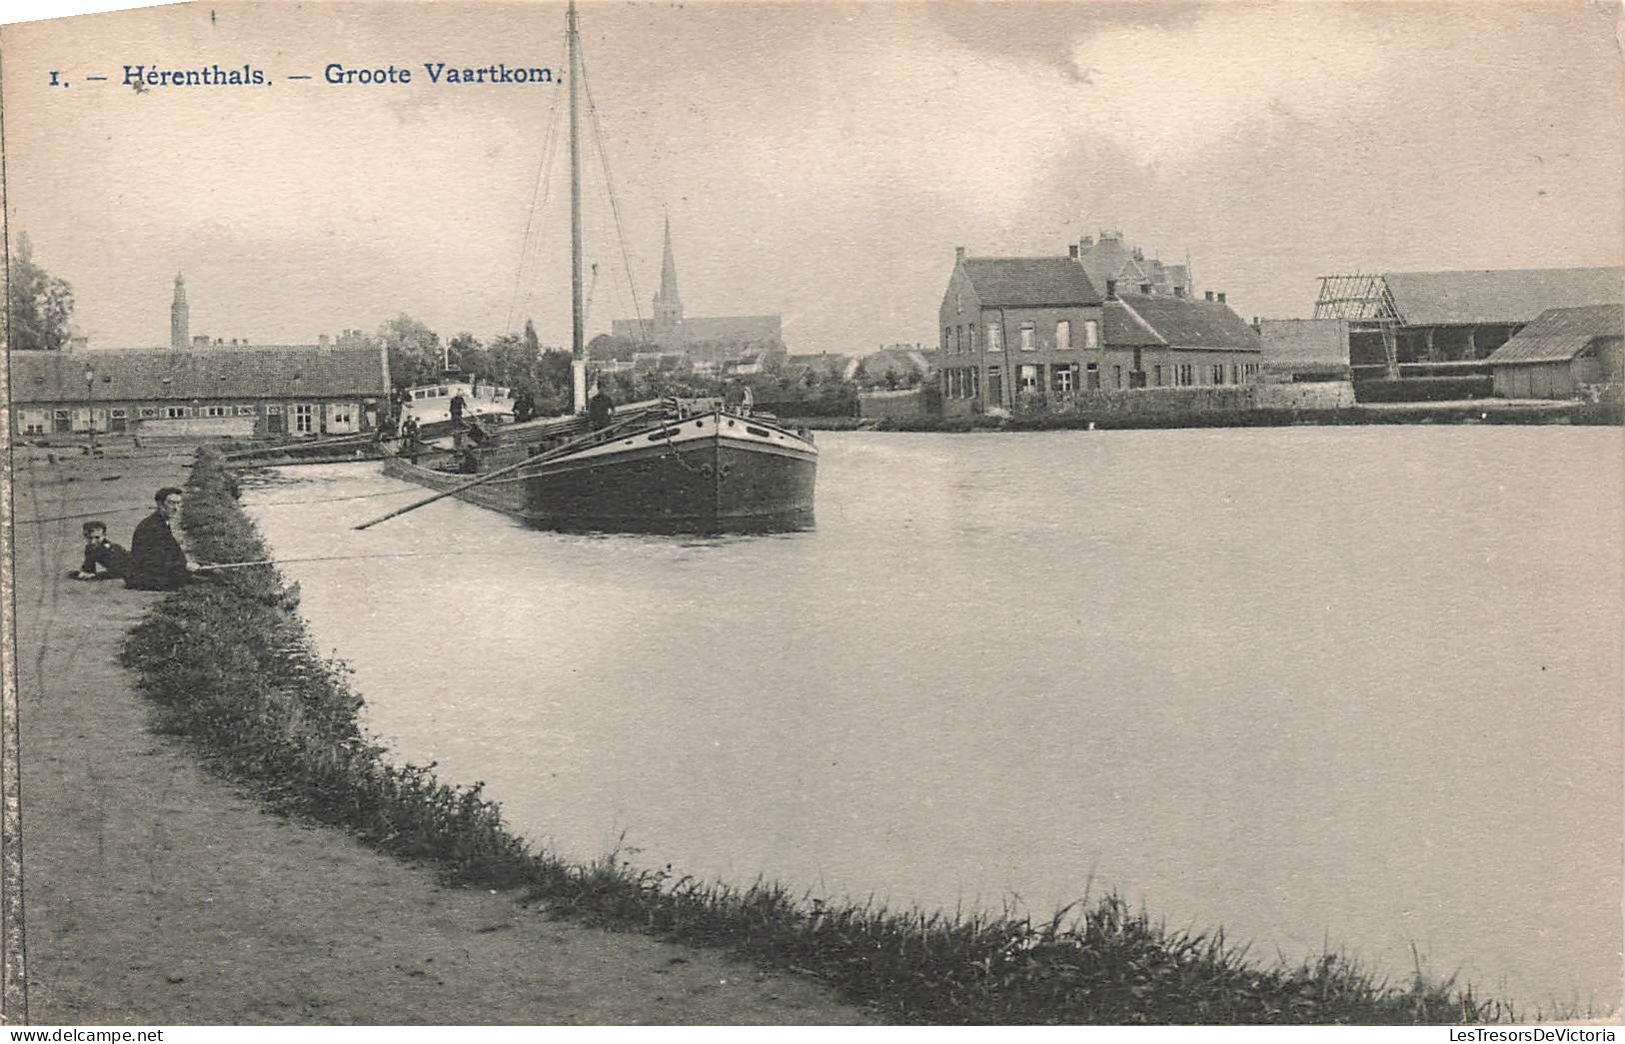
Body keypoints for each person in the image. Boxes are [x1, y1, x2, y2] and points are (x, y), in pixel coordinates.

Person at [125, 486, 200, 591]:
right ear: (160, 504)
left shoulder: (161, 522)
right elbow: (154, 560)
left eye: (178, 503)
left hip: (155, 571)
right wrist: (184, 565)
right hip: (144, 576)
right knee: (200, 582)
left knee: (207, 575)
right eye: (172, 503)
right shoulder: (151, 526)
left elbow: (171, 551)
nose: (176, 508)